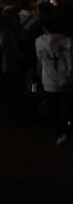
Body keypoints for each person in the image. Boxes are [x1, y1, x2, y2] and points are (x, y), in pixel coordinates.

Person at [34, 14, 72, 145]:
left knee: (54, 109)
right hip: (68, 79)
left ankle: (60, 133)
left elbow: (39, 60)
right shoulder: (68, 40)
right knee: (68, 107)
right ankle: (69, 129)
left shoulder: (39, 41)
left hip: (49, 79)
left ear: (44, 28)